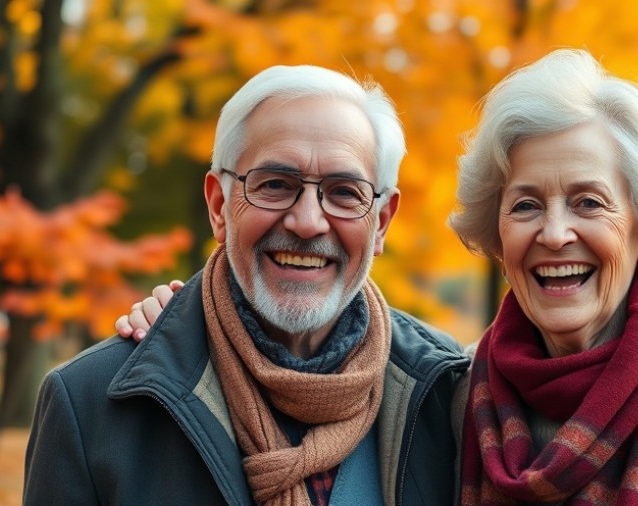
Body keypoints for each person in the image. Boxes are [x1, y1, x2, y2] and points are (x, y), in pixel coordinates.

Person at [120, 49, 638, 505]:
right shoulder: (457, 395)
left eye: (587, 202)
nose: (554, 233)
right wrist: (179, 328)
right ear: (497, 233)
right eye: (525, 204)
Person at [23, 64, 469, 506]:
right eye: (275, 184)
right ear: (219, 206)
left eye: (344, 192)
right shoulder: (91, 405)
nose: (308, 222)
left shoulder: (447, 394)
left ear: (381, 224)